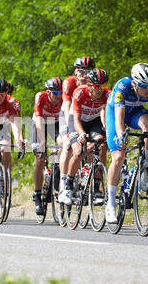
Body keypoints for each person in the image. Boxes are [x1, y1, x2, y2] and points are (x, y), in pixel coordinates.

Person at [105, 63, 148, 223]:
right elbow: (118, 118)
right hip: (116, 114)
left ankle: (144, 164)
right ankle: (110, 204)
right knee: (118, 157)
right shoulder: (122, 87)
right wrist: (121, 136)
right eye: (144, 86)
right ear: (135, 83)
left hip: (136, 113)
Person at [59, 68, 110, 205]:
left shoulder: (107, 94)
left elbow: (107, 115)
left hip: (94, 122)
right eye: (97, 86)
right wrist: (81, 134)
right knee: (78, 150)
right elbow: (75, 120)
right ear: (89, 85)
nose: (100, 90)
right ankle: (68, 186)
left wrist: (109, 131)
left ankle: (97, 187)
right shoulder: (79, 93)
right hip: (77, 121)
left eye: (103, 86)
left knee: (102, 145)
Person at [59, 56, 96, 198]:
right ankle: (64, 184)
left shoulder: (94, 84)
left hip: (87, 117)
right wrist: (71, 130)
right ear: (76, 72)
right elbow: (67, 107)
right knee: (68, 143)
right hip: (68, 115)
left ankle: (87, 178)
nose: (85, 76)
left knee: (94, 145)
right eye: (82, 72)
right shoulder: (69, 83)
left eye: (89, 72)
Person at [32, 77, 63, 215]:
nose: (58, 96)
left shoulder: (63, 98)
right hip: (40, 123)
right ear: (48, 92)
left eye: (60, 93)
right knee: (40, 156)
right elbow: (38, 122)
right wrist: (42, 143)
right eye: (55, 93)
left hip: (56, 123)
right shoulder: (40, 97)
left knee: (63, 144)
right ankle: (37, 195)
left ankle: (60, 180)